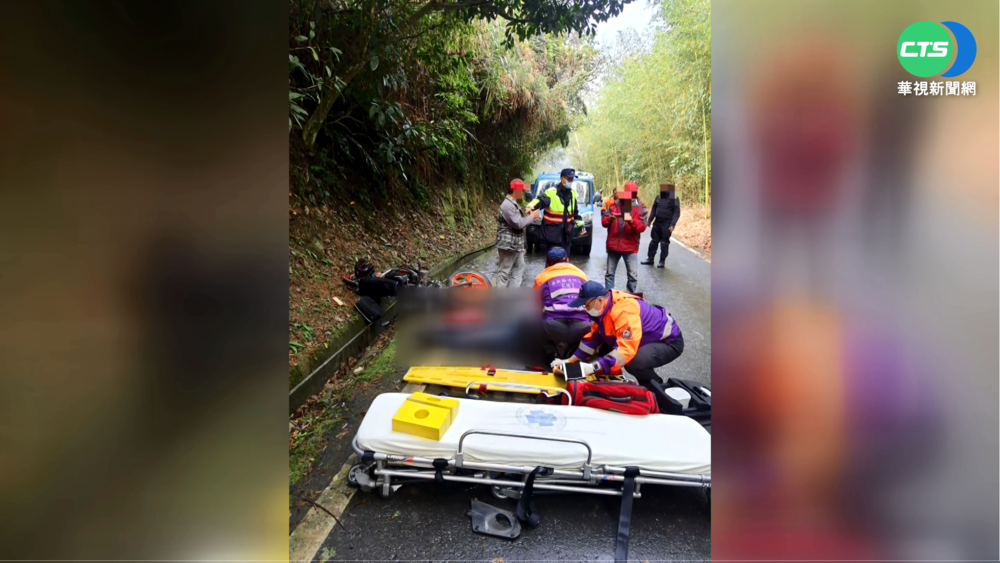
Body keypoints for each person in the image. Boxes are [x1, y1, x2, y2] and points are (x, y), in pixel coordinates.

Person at [562, 281, 684, 390]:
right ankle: (614, 383)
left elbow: (626, 349)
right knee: (607, 349)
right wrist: (570, 361)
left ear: (599, 300)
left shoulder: (623, 310)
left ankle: (655, 389)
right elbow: (594, 338)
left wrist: (593, 368)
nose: (585, 309)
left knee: (634, 362)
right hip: (645, 337)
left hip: (668, 341)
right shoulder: (600, 310)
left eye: (586, 305)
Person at [534, 247, 591, 362]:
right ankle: (573, 351)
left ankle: (551, 354)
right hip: (581, 327)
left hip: (552, 327)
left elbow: (537, 307)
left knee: (530, 323)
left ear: (548, 262)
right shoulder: (582, 275)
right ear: (567, 260)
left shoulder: (541, 278)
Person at [526, 168, 585, 255]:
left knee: (565, 262)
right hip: (553, 235)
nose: (571, 181)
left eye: (572, 179)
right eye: (569, 179)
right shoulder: (551, 193)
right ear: (562, 179)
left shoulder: (572, 194)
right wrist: (530, 207)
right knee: (553, 262)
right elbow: (539, 200)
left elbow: (575, 214)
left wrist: (581, 227)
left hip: (567, 235)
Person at [494, 178, 540, 287]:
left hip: (515, 245)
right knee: (504, 272)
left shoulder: (512, 204)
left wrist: (529, 217)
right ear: (516, 191)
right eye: (522, 191)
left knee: (519, 267)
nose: (523, 193)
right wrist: (531, 217)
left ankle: (512, 297)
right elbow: (518, 223)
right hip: (508, 245)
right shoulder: (507, 205)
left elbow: (518, 221)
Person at [602, 182, 646, 294]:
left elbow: (642, 226)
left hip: (630, 247)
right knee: (609, 274)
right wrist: (610, 220)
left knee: (633, 276)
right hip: (613, 245)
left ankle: (630, 298)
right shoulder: (613, 205)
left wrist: (631, 221)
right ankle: (609, 297)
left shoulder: (640, 207)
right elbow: (604, 221)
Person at [642, 184, 681, 267]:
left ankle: (662, 261)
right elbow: (654, 209)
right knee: (654, 241)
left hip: (667, 224)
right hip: (657, 223)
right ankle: (650, 259)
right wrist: (649, 221)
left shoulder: (674, 199)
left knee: (664, 243)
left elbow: (676, 213)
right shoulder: (658, 197)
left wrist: (672, 225)